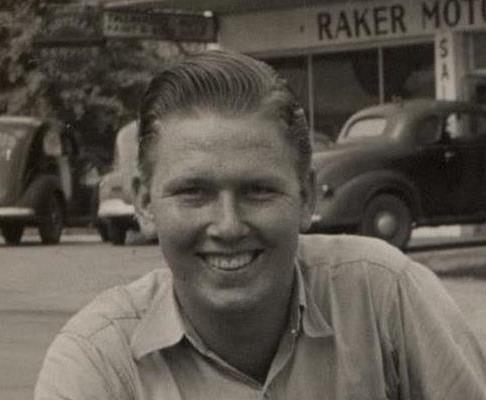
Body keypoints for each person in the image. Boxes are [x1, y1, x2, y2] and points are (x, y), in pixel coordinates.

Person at [35, 50, 486, 400]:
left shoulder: (384, 294)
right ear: (144, 201)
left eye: (258, 191)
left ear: (306, 196)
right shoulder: (98, 360)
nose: (228, 226)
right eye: (193, 192)